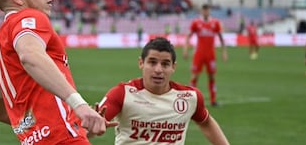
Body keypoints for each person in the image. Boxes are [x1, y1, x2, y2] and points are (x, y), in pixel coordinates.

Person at [0, 0, 115, 145]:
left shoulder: (1, 50)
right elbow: (30, 55)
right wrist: (79, 106)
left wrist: (71, 123)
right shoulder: (29, 16)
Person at [98, 37, 230, 145]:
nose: (158, 70)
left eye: (165, 64)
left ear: (173, 67)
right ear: (141, 63)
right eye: (152, 62)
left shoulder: (190, 97)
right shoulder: (122, 93)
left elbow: (206, 122)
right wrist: (94, 127)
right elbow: (89, 126)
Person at [183, 4, 227, 106]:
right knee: (195, 76)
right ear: (201, 11)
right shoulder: (196, 23)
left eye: (207, 10)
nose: (205, 12)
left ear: (209, 11)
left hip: (210, 54)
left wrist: (224, 52)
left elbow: (221, 38)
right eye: (204, 10)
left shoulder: (215, 23)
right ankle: (190, 99)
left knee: (211, 76)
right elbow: (188, 36)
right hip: (199, 53)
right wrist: (185, 49)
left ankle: (213, 100)